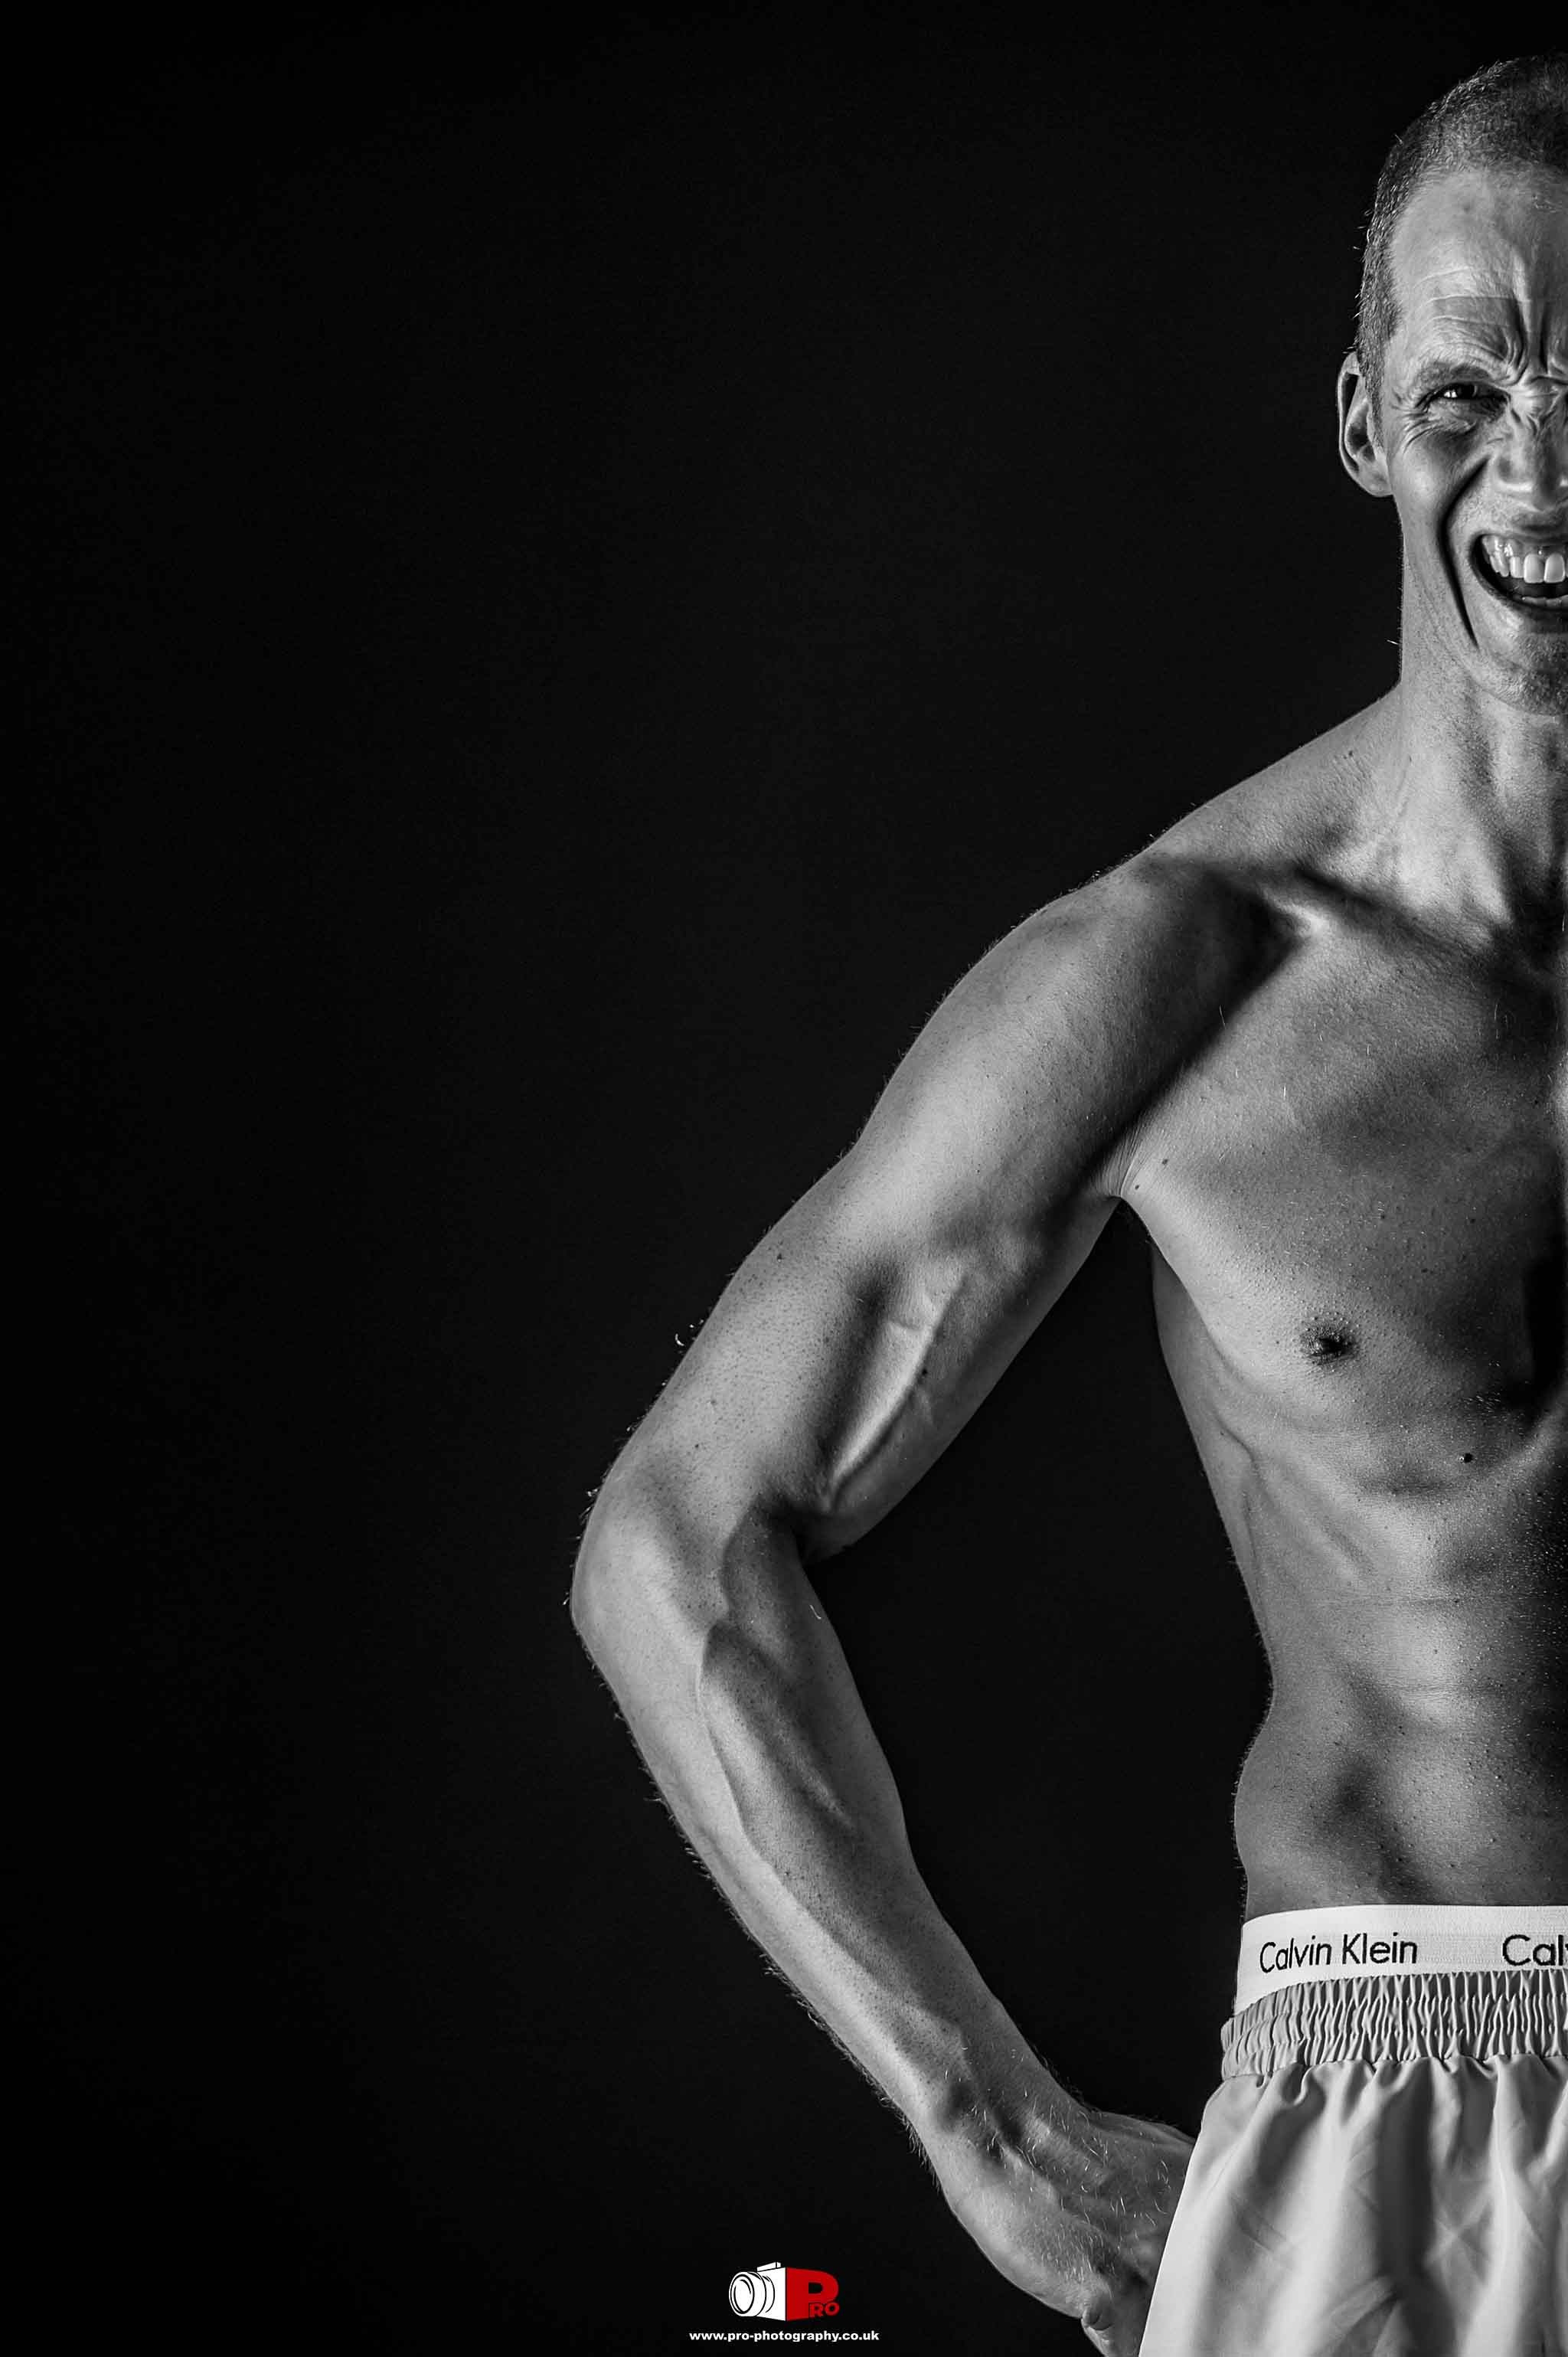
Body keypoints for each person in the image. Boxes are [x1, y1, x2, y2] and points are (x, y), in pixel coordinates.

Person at [572, 52, 1568, 2355]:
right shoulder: (1184, 979)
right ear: (1358, 420)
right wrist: (988, 2131)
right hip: (1414, 2115)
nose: (1543, 451)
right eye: (1471, 378)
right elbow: (680, 1534)